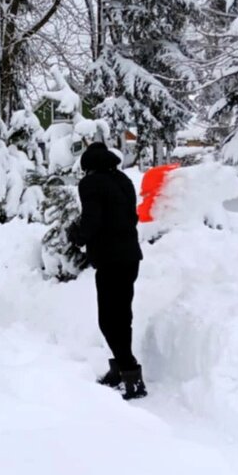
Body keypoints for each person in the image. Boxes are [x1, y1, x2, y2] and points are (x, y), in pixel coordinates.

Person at [74, 142, 147, 400]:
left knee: (108, 319)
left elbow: (92, 219)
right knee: (121, 317)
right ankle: (121, 371)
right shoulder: (123, 180)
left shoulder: (90, 183)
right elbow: (130, 217)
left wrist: (77, 236)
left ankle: (130, 375)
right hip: (130, 257)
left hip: (110, 259)